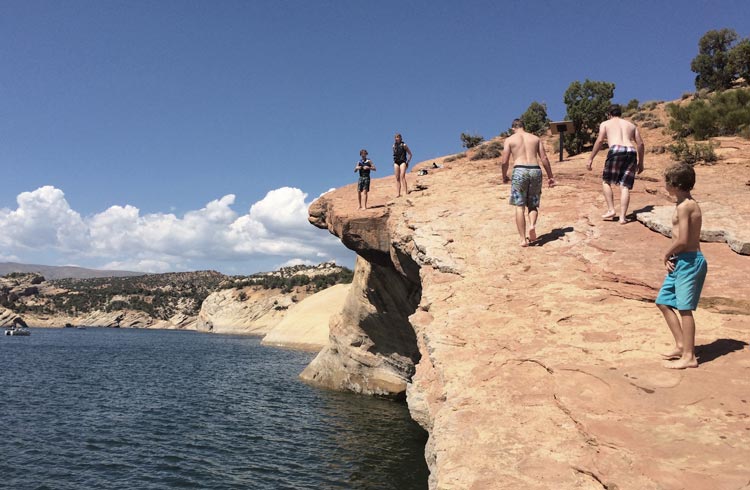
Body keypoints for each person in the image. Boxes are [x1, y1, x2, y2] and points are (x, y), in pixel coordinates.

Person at [655, 163, 707, 369]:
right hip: (680, 261)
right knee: (663, 302)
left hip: (690, 261)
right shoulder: (683, 203)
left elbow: (683, 239)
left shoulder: (686, 206)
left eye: (666, 181)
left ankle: (689, 356)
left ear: (675, 184)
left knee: (685, 309)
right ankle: (681, 344)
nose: (665, 185)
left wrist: (666, 253)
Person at [500, 119, 555, 246]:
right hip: (535, 170)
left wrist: (504, 176)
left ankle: (522, 239)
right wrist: (550, 176)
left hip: (519, 170)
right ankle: (532, 226)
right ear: (524, 126)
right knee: (533, 204)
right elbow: (544, 158)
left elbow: (504, 161)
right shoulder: (535, 138)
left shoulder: (510, 140)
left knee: (519, 206)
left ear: (513, 128)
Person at [586, 104, 645, 224]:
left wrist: (591, 158)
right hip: (631, 150)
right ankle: (623, 218)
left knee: (606, 181)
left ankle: (611, 209)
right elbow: (640, 144)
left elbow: (600, 140)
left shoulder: (605, 123)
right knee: (625, 186)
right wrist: (641, 162)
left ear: (609, 114)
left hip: (616, 150)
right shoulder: (631, 125)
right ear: (620, 114)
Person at [392, 133, 412, 197]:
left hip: (403, 161)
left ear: (400, 138)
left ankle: (405, 192)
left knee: (402, 176)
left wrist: (407, 162)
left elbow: (410, 154)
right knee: (397, 178)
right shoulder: (393, 146)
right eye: (395, 137)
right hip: (396, 162)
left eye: (398, 137)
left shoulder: (404, 145)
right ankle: (398, 193)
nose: (396, 138)